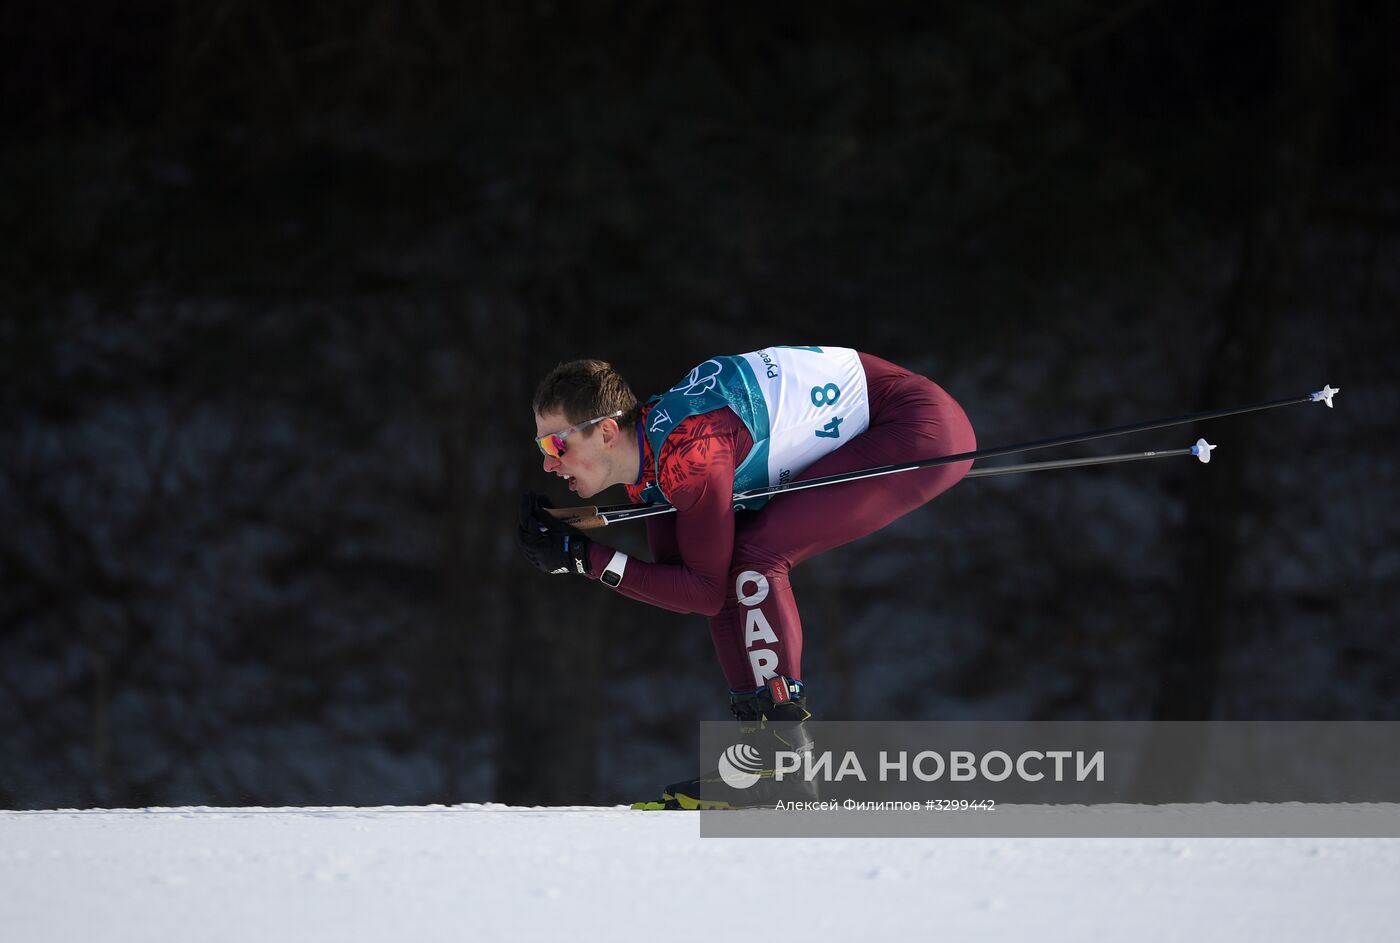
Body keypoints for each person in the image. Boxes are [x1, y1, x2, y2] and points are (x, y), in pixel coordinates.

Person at [518, 346, 976, 808]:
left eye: (557, 444)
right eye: (542, 447)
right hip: (882, 412)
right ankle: (765, 758)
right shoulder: (652, 464)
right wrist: (582, 555)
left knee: (755, 558)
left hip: (917, 425)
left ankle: (786, 766)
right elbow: (694, 584)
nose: (548, 463)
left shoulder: (688, 453)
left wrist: (583, 558)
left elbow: (701, 592)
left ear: (607, 432)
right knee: (728, 560)